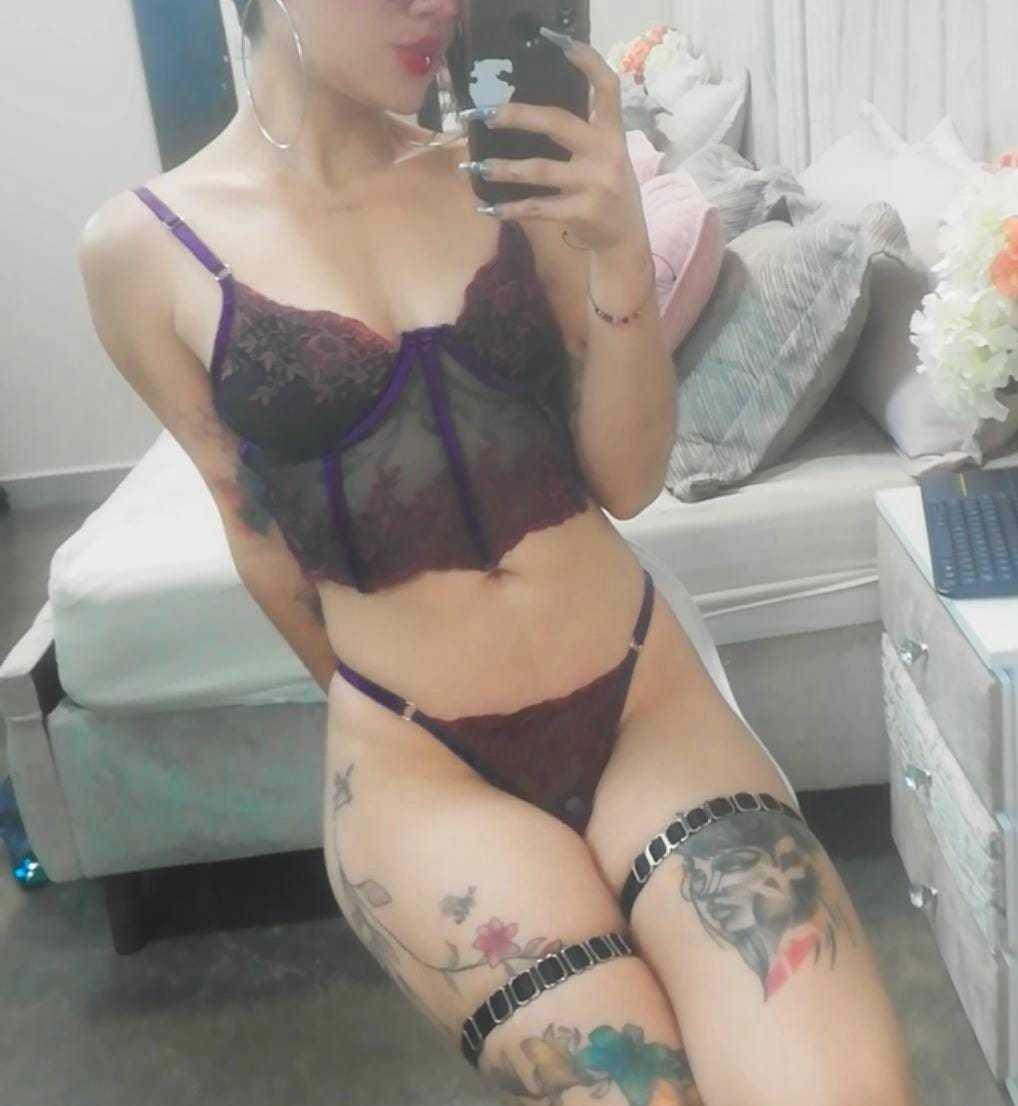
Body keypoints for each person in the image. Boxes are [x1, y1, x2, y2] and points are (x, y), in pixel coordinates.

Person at [77, 2, 919, 1103]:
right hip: (425, 771)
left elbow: (627, 479)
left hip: (641, 704)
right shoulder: (140, 251)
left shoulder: (506, 174)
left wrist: (618, 249)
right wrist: (396, 702)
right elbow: (255, 530)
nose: (439, 3)